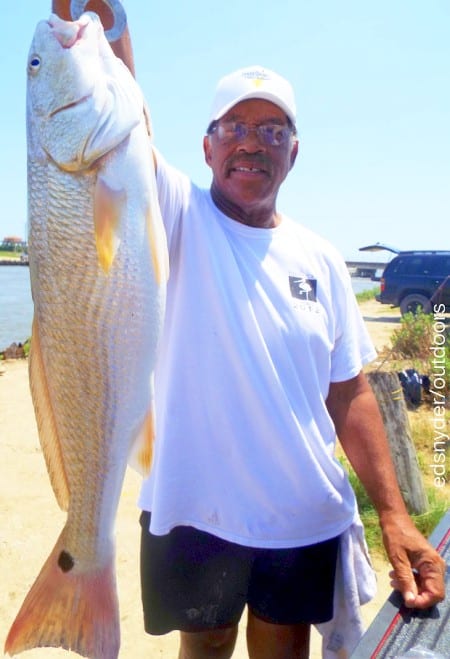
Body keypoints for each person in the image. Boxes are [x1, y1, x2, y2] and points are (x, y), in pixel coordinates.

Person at [53, 3, 447, 658]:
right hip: (193, 513)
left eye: (271, 129)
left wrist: (396, 512)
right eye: (233, 124)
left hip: (301, 518)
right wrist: (104, 23)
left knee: (283, 651)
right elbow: (123, 123)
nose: (250, 140)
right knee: (202, 648)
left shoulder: (322, 257)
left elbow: (349, 394)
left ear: (294, 152)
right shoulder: (175, 215)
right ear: (205, 145)